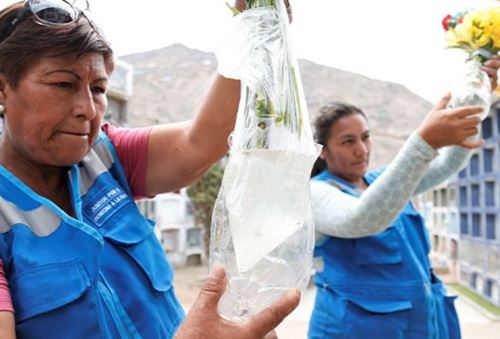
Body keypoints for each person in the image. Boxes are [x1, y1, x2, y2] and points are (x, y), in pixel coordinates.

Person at [0, 0, 299, 338]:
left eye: (98, 89)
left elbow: (199, 143)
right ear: (2, 88)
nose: (87, 108)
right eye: (63, 85)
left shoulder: (105, 156)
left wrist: (254, 30)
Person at [307, 56, 500, 339]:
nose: (361, 149)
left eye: (365, 137)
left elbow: (445, 165)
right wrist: (423, 142)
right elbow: (361, 217)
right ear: (323, 151)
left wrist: (475, 97)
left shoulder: (381, 181)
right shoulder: (317, 193)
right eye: (348, 141)